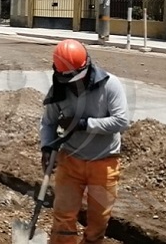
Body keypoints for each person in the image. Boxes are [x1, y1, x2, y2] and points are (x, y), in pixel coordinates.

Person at [39, 39, 130, 244]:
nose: (73, 85)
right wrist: (46, 146)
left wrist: (82, 124)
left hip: (104, 162)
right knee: (63, 217)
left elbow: (121, 121)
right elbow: (48, 123)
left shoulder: (109, 85)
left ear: (87, 67)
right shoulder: (58, 89)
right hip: (70, 161)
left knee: (98, 222)